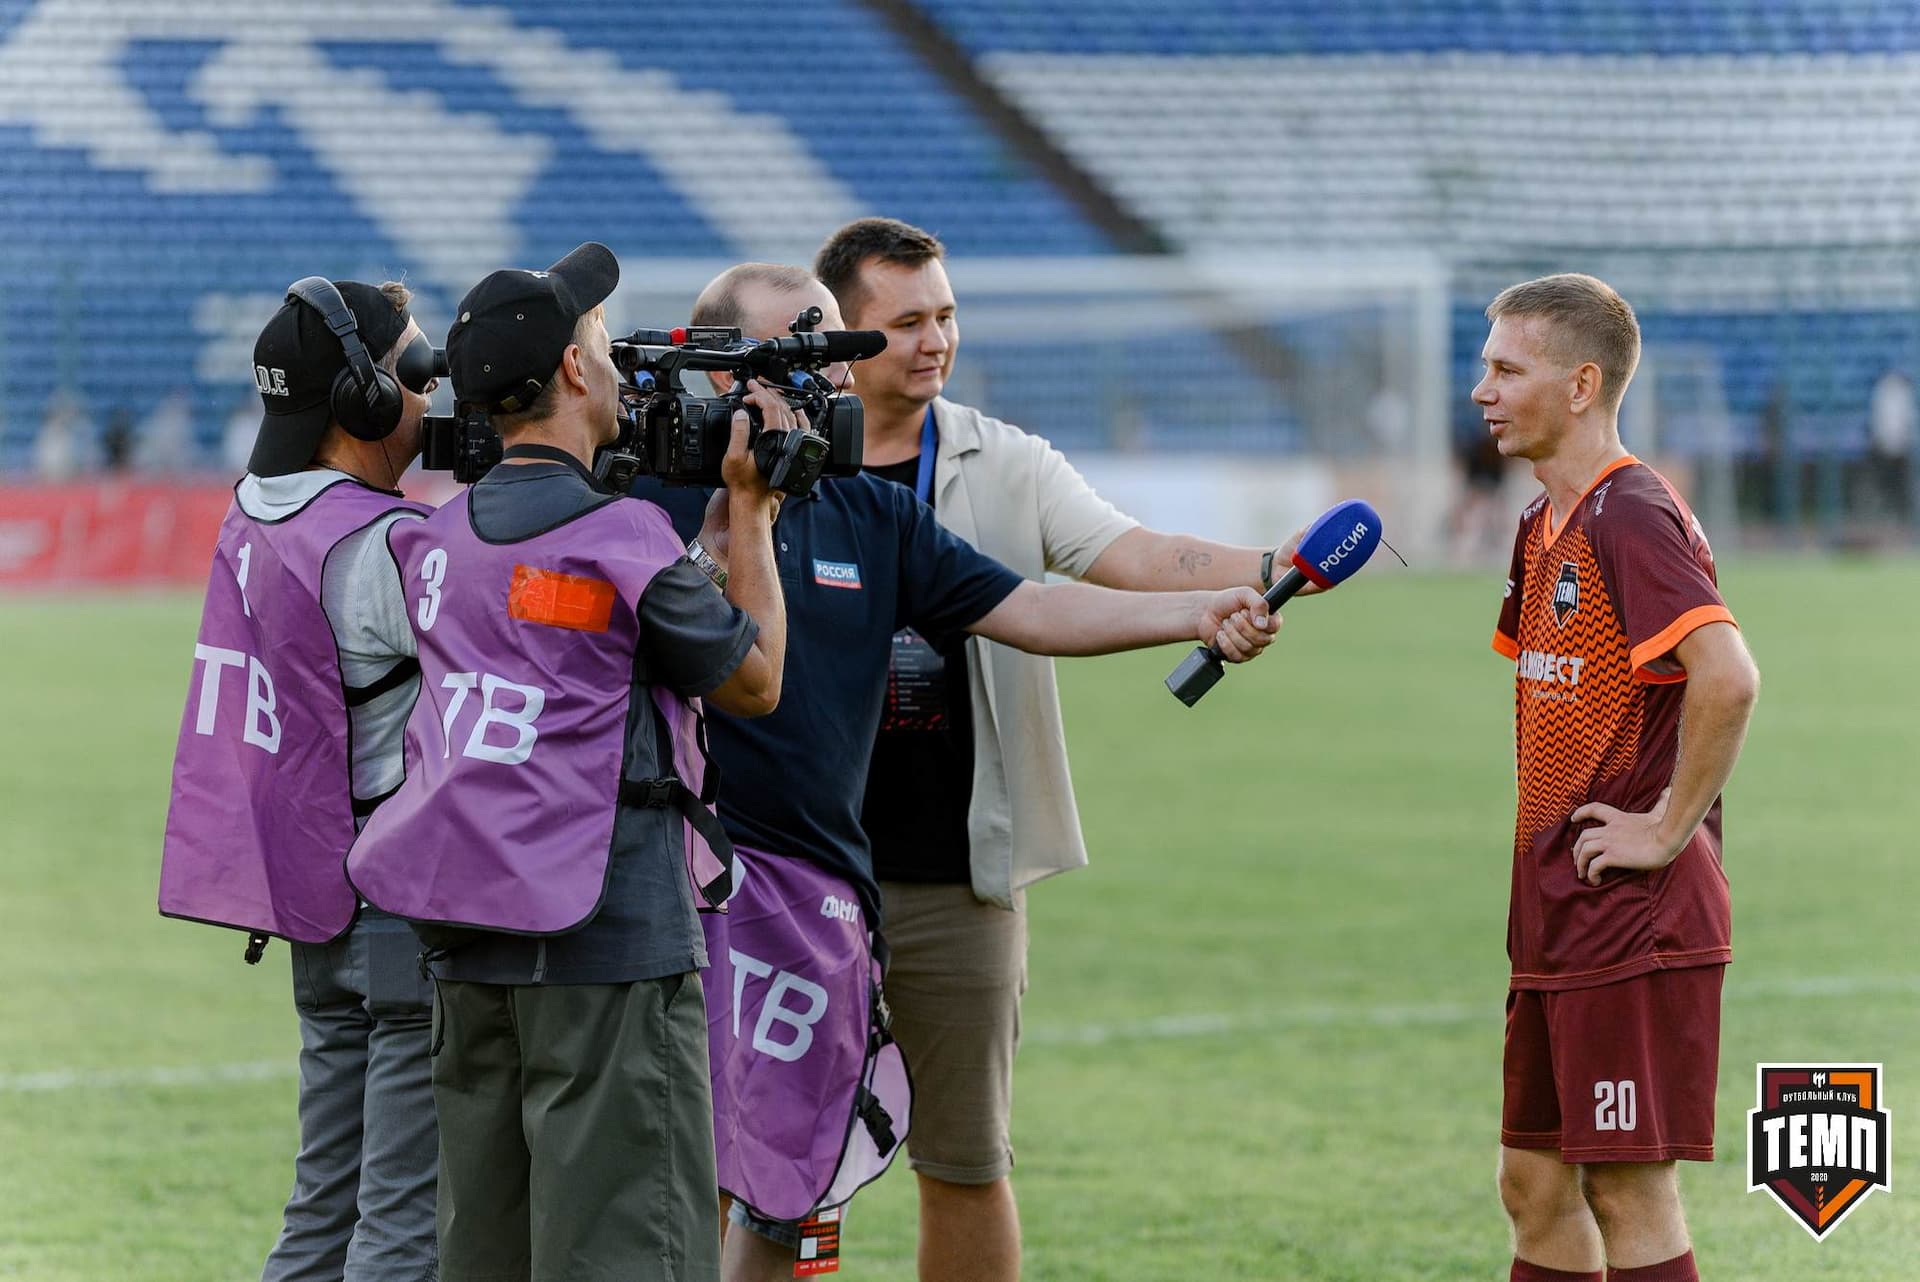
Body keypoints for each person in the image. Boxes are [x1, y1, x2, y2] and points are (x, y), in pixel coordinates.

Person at [632, 261, 1280, 1282]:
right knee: (683, 1167)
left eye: (836, 351)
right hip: (678, 892)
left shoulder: (870, 514)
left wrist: (1197, 612)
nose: (831, 380)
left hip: (822, 896)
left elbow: (1030, 607)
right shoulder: (639, 500)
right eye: (802, 356)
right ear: (723, 376)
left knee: (813, 1183)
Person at [811, 217, 1312, 1282]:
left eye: (943, 314)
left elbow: (1128, 552)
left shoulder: (1004, 459)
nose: (934, 339)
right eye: (904, 323)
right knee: (775, 1164)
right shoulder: (778, 461)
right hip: (795, 866)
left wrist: (1267, 567)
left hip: (961, 871)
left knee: (965, 1159)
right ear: (840, 337)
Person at [344, 243, 787, 1282]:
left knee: (488, 1247)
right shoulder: (624, 534)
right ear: (578, 372)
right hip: (610, 934)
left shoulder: (438, 537)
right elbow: (755, 680)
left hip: (466, 926)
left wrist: (702, 562)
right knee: (631, 1247)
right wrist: (754, 519)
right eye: (600, 339)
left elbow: (562, 629)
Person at [1473, 274, 1760, 1282]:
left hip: (1631, 914)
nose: (1482, 390)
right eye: (1485, 366)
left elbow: (1728, 676)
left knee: (1628, 1187)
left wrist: (1667, 827)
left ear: (1582, 384)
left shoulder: (1631, 515)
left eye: (1507, 369)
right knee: (1534, 1183)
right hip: (1554, 903)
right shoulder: (1543, 524)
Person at [158, 276, 443, 1280]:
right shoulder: (391, 543)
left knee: (323, 1212)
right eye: (417, 366)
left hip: (312, 898)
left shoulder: (255, 510)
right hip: (402, 902)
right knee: (406, 1229)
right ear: (364, 399)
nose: (431, 388)